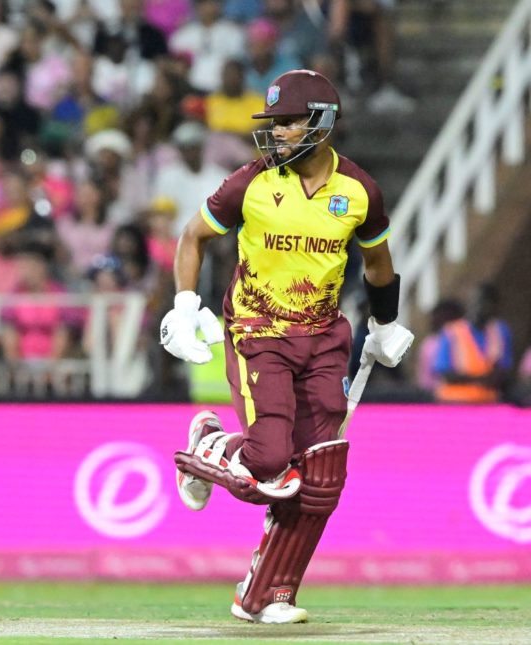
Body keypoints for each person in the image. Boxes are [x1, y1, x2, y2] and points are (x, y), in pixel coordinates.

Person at [162, 69, 414, 624]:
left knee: (321, 473)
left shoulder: (359, 191)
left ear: (322, 121)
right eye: (273, 124)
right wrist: (183, 305)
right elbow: (193, 236)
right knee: (272, 465)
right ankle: (209, 444)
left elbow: (377, 263)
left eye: (287, 122)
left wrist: (386, 323)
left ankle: (267, 595)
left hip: (324, 338)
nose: (276, 134)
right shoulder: (251, 182)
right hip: (259, 332)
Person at [432, 284, 513, 403]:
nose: (479, 307)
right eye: (475, 302)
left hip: (488, 401)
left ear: (495, 306)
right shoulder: (451, 332)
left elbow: (503, 370)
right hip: (454, 402)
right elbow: (445, 373)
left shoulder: (500, 331)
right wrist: (480, 380)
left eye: (485, 303)